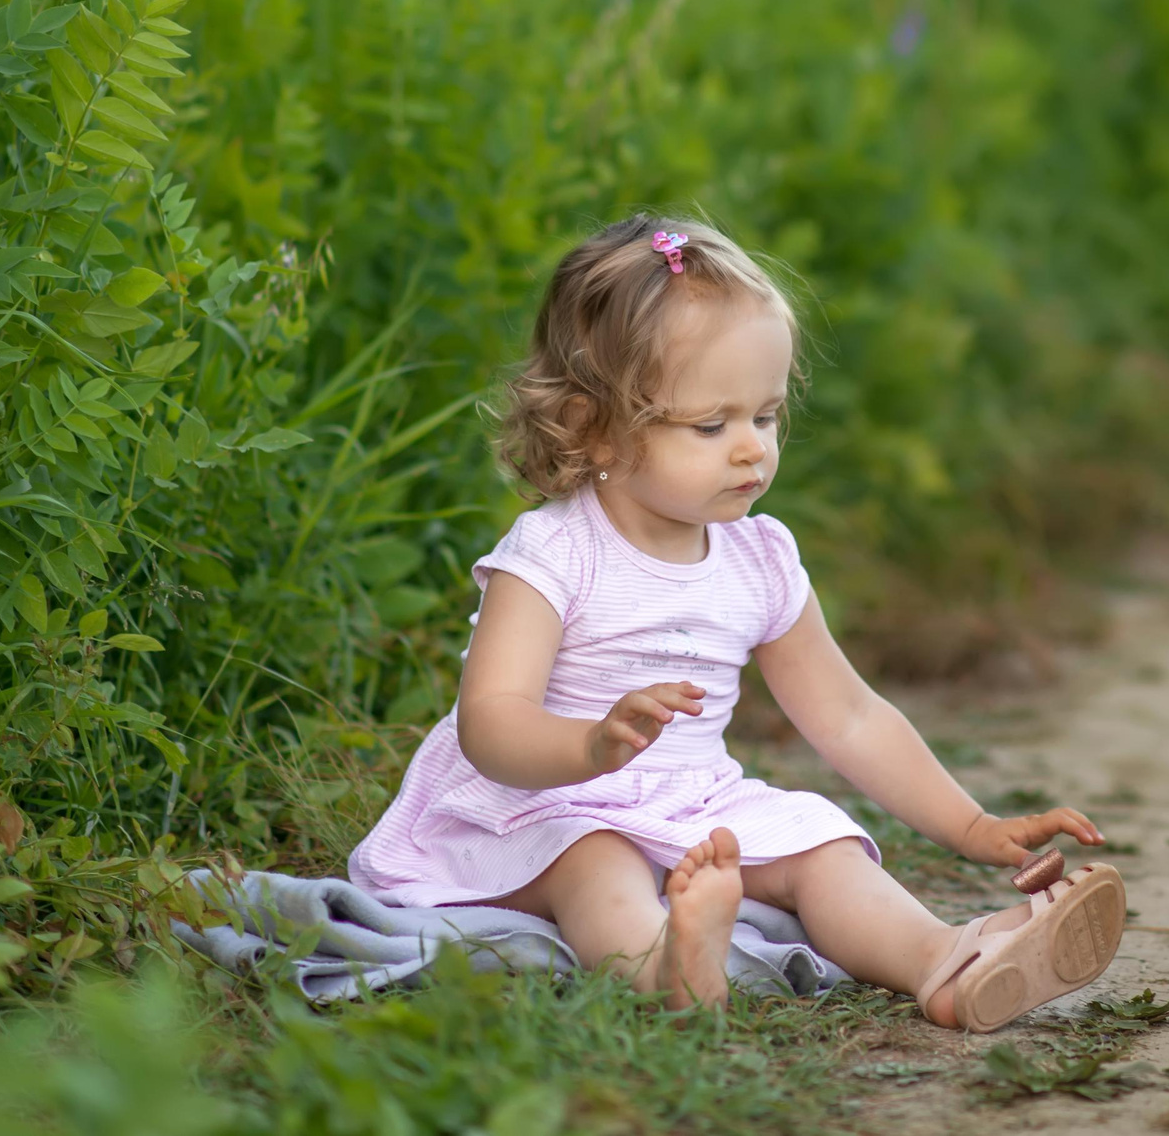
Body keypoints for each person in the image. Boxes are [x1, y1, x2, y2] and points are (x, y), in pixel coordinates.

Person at [350, 213, 1125, 1026]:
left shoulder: (757, 558)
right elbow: (489, 721)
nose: (752, 448)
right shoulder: (553, 552)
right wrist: (588, 745)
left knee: (822, 845)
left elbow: (850, 714)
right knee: (597, 863)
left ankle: (945, 960)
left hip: (694, 802)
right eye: (712, 425)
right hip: (548, 801)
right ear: (594, 426)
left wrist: (970, 824)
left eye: (766, 414)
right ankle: (668, 966)